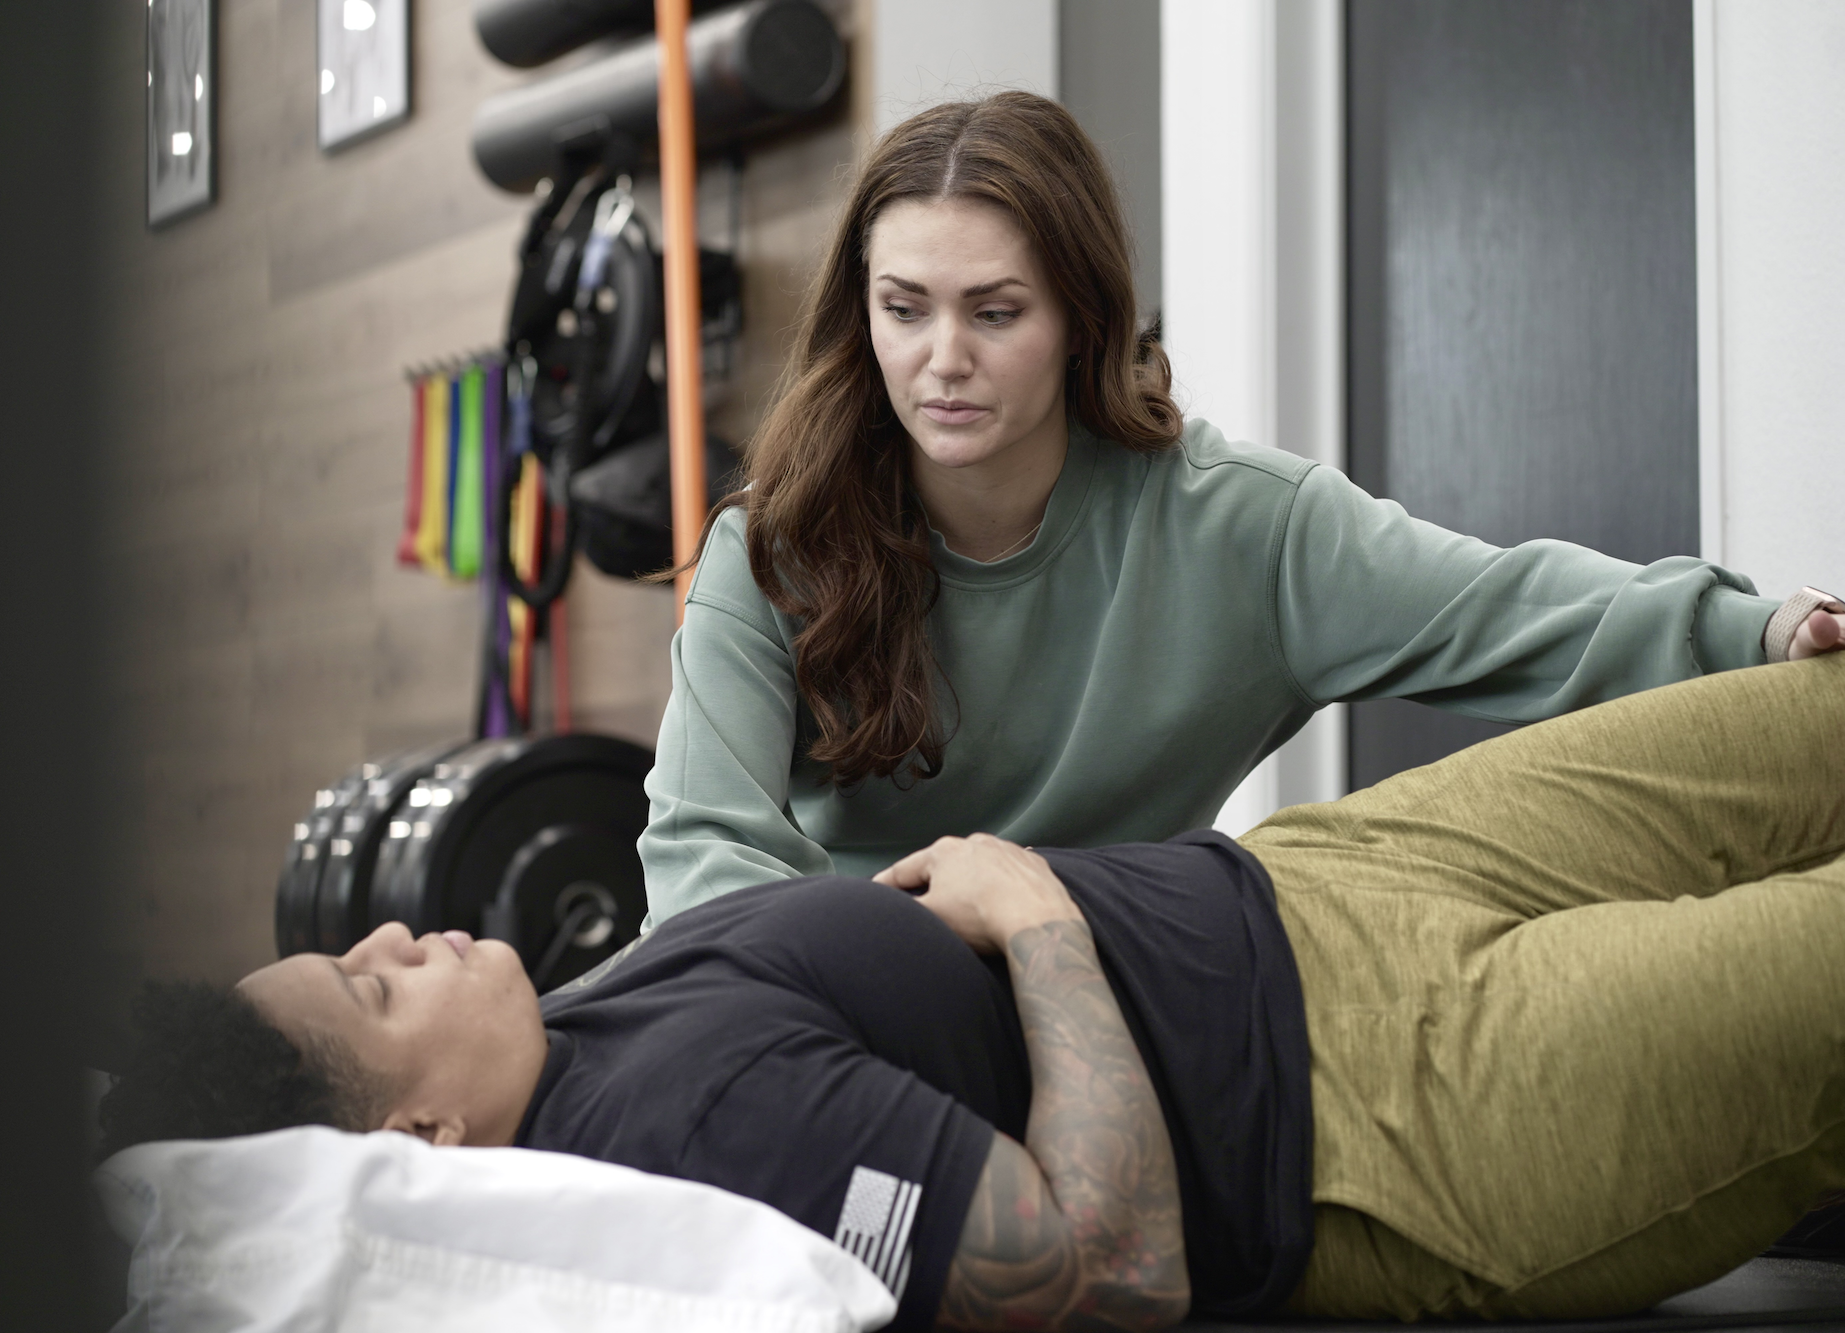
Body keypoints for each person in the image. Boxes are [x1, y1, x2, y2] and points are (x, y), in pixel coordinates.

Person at [101, 655, 1845, 1329]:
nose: (403, 937)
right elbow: (1115, 1269)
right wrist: (1040, 919)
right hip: (1403, 1107)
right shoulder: (678, 1134)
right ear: (420, 1128)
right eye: (373, 980)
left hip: (1330, 878)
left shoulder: (587, 1018)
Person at [637, 89, 1845, 927]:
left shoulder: (1241, 531)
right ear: (864, 314)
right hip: (827, 1002)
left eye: (993, 312)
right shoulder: (775, 549)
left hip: (1105, 1003)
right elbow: (704, 861)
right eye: (904, 309)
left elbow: (1512, 611)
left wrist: (1754, 631)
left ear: (1079, 323)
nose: (941, 357)